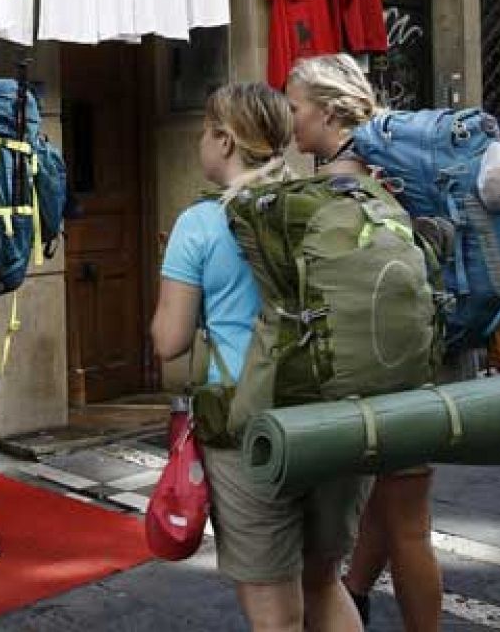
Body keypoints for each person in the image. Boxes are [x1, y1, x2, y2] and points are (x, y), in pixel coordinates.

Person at [150, 82, 367, 632]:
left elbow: (168, 342)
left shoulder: (198, 224)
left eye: (204, 130)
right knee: (324, 582)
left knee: (275, 616)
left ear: (224, 141)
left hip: (250, 429)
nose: (201, 141)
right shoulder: (324, 200)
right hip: (333, 418)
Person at [285, 54, 439, 631]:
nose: (289, 119)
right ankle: (357, 595)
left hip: (372, 368)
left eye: (295, 107)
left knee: (402, 524)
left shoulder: (335, 186)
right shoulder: (401, 164)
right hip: (421, 353)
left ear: (327, 111)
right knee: (397, 507)